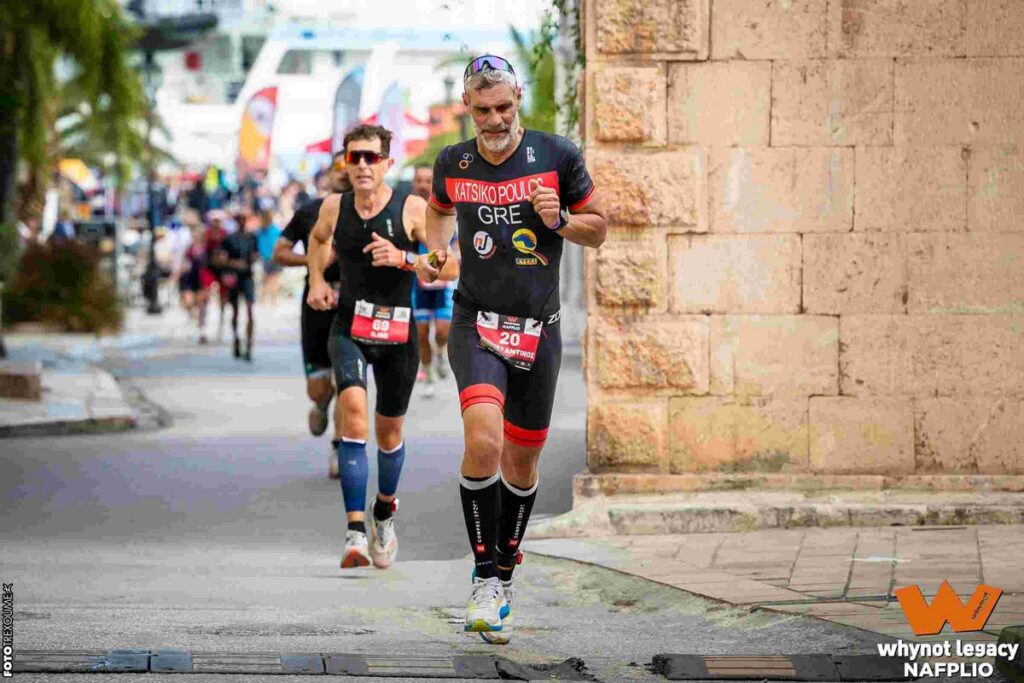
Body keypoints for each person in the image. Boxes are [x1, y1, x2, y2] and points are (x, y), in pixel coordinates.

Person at [414, 55, 606, 644]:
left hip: (538, 328)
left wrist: (562, 220)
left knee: (521, 465)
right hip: (475, 321)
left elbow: (599, 227)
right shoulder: (453, 162)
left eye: (503, 107)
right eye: (483, 110)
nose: (495, 120)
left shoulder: (557, 156)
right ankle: (484, 579)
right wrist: (437, 253)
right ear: (467, 108)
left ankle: (504, 569)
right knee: (484, 442)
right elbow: (437, 213)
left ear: (517, 97)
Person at [306, 124, 458, 570]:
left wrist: (404, 259)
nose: (362, 165)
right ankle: (354, 532)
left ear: (387, 163)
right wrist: (316, 280)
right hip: (350, 327)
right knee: (353, 414)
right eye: (354, 157)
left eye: (371, 157)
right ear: (345, 163)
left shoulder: (410, 208)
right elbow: (317, 239)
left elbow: (449, 265)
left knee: (389, 433)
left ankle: (384, 511)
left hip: (397, 335)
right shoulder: (334, 207)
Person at [273, 151, 351, 477]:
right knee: (320, 387)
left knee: (349, 382)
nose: (346, 172)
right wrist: (314, 261)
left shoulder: (373, 211)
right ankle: (321, 402)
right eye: (339, 167)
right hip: (317, 304)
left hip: (354, 305)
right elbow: (279, 252)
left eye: (353, 164)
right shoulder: (309, 211)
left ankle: (340, 448)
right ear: (328, 175)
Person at [409, 164, 458, 397]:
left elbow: (458, 243)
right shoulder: (407, 211)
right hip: (417, 284)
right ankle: (428, 374)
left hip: (443, 284)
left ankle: (440, 351)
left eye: (428, 180)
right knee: (420, 333)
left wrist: (453, 258)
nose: (423, 185)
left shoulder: (446, 209)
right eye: (419, 180)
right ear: (413, 183)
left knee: (441, 332)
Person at [216, 213, 260, 361]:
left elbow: (256, 253)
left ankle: (249, 344)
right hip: (234, 277)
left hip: (247, 276)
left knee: (250, 310)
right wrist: (233, 263)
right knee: (235, 311)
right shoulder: (229, 239)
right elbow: (220, 258)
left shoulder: (251, 237)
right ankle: (236, 338)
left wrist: (254, 258)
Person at [256, 210, 283, 305]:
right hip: (275, 256)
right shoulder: (275, 230)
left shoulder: (260, 231)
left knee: (265, 278)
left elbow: (259, 245)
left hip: (265, 257)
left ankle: (262, 299)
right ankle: (273, 300)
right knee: (275, 278)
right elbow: (277, 243)